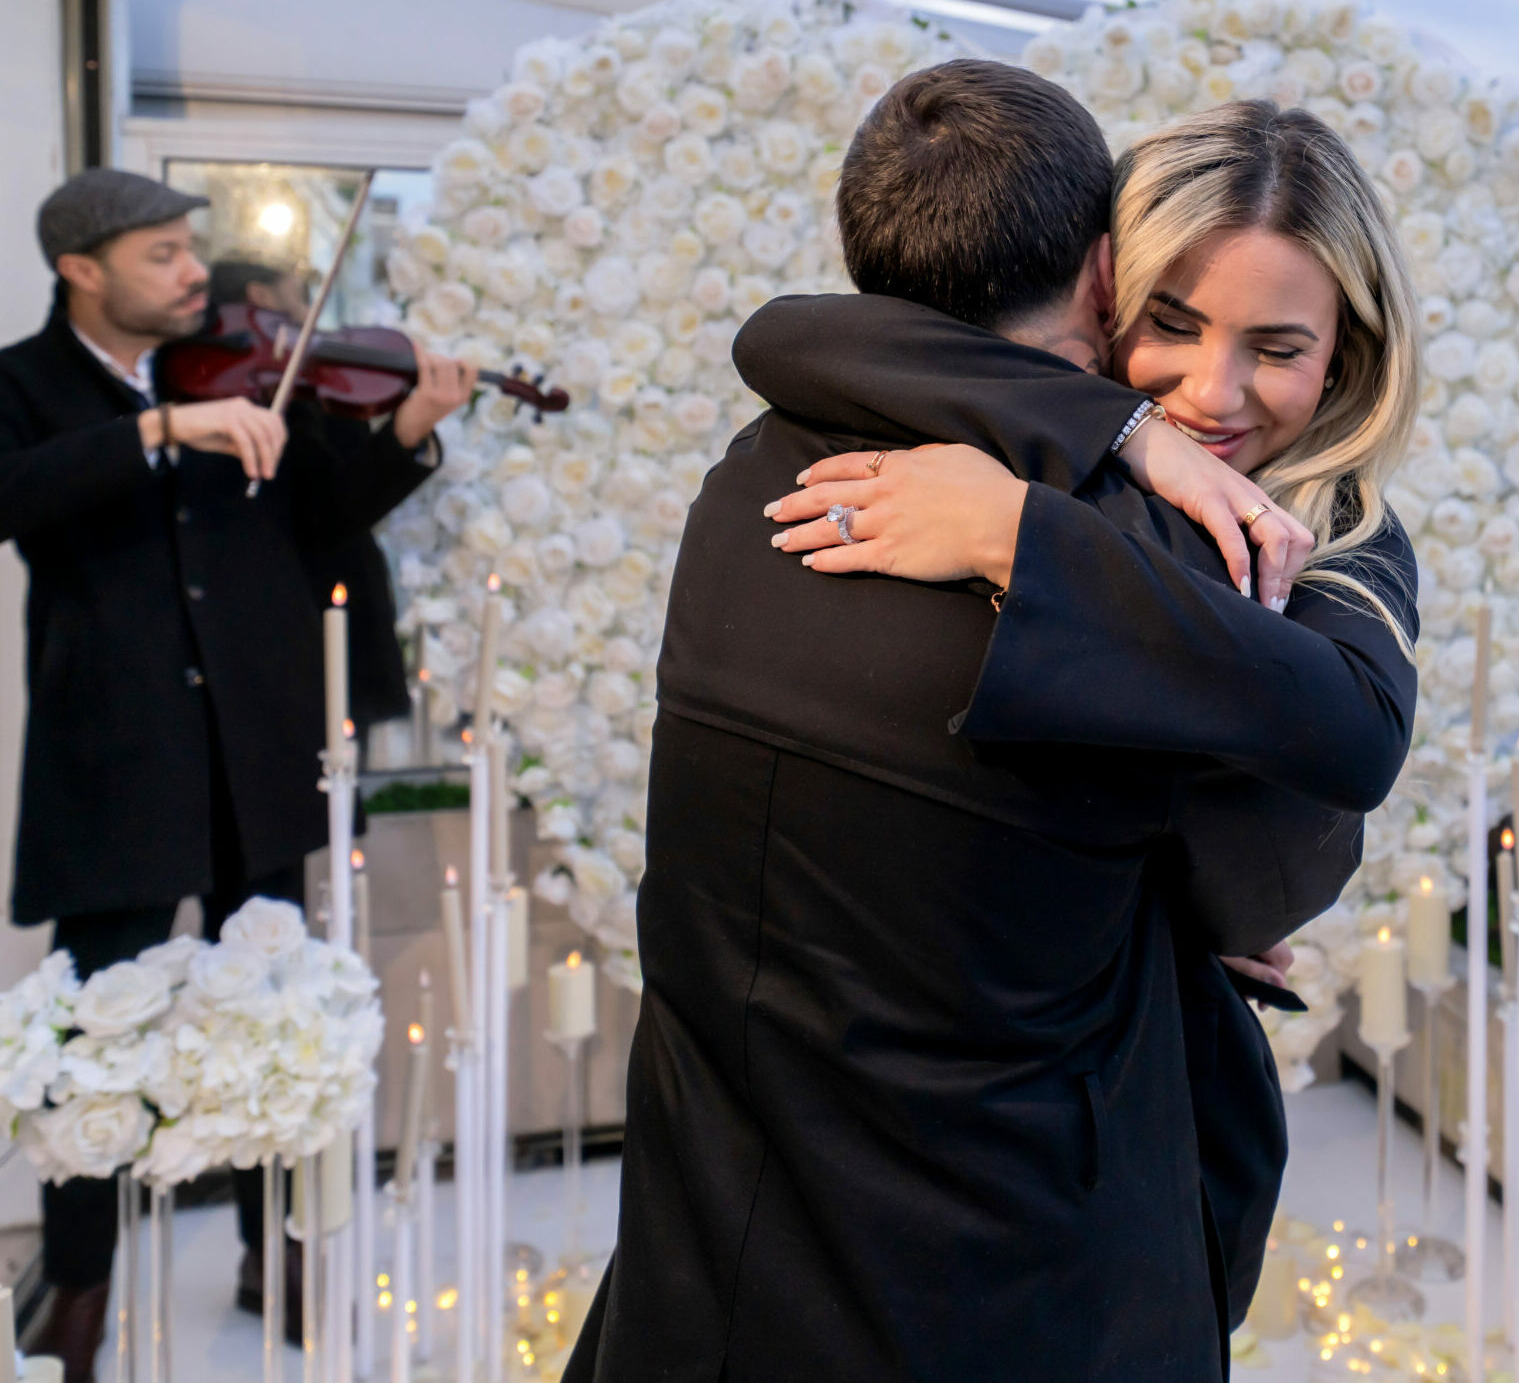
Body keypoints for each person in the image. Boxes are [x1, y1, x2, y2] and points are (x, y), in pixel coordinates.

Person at [566, 71, 1417, 1382]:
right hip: (982, 1260)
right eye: (1167, 323)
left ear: (1351, 349)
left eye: (1279, 345)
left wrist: (1032, 514)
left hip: (735, 1256)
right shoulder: (999, 481)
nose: (1208, 391)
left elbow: (1305, 793)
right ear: (1100, 282)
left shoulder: (764, 467)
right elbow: (1255, 870)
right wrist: (1085, 454)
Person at [0, 170, 475, 1382]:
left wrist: (409, 429)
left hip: (254, 751)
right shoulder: (23, 384)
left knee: (272, 1012)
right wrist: (160, 430)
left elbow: (323, 518)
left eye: (187, 249)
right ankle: (77, 1288)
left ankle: (279, 1252)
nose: (191, 274)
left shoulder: (249, 368)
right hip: (116, 761)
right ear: (82, 271)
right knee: (90, 1030)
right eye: (161, 256)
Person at [205, 256, 413, 739]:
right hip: (303, 610)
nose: (310, 313)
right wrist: (407, 432)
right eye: (300, 295)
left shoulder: (304, 376)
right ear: (259, 296)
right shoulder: (266, 385)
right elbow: (332, 508)